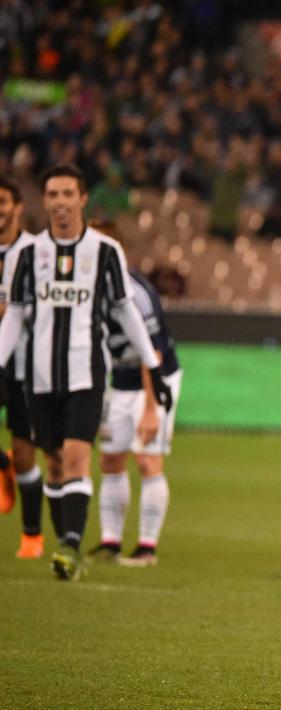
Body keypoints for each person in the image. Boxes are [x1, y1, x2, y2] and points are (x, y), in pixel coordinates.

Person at [0, 164, 172, 582]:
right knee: (54, 463)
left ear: (81, 199)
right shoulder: (27, 255)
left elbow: (124, 309)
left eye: (67, 194)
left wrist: (152, 362)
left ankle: (71, 548)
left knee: (78, 457)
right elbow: (16, 316)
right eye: (52, 194)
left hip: (87, 373)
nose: (59, 202)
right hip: (38, 376)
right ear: (44, 201)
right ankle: (65, 542)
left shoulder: (105, 252)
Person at [89, 221, 183, 567]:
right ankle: (111, 541)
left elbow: (152, 354)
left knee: (146, 459)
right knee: (111, 459)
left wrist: (149, 408)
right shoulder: (89, 289)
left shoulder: (136, 293)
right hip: (119, 383)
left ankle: (147, 548)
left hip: (156, 382)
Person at [0, 175, 44, 559]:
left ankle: (32, 535)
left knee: (26, 454)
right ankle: (2, 466)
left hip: (23, 363)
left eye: (2, 201)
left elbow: (41, 310)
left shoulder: (33, 251)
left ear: (17, 207)